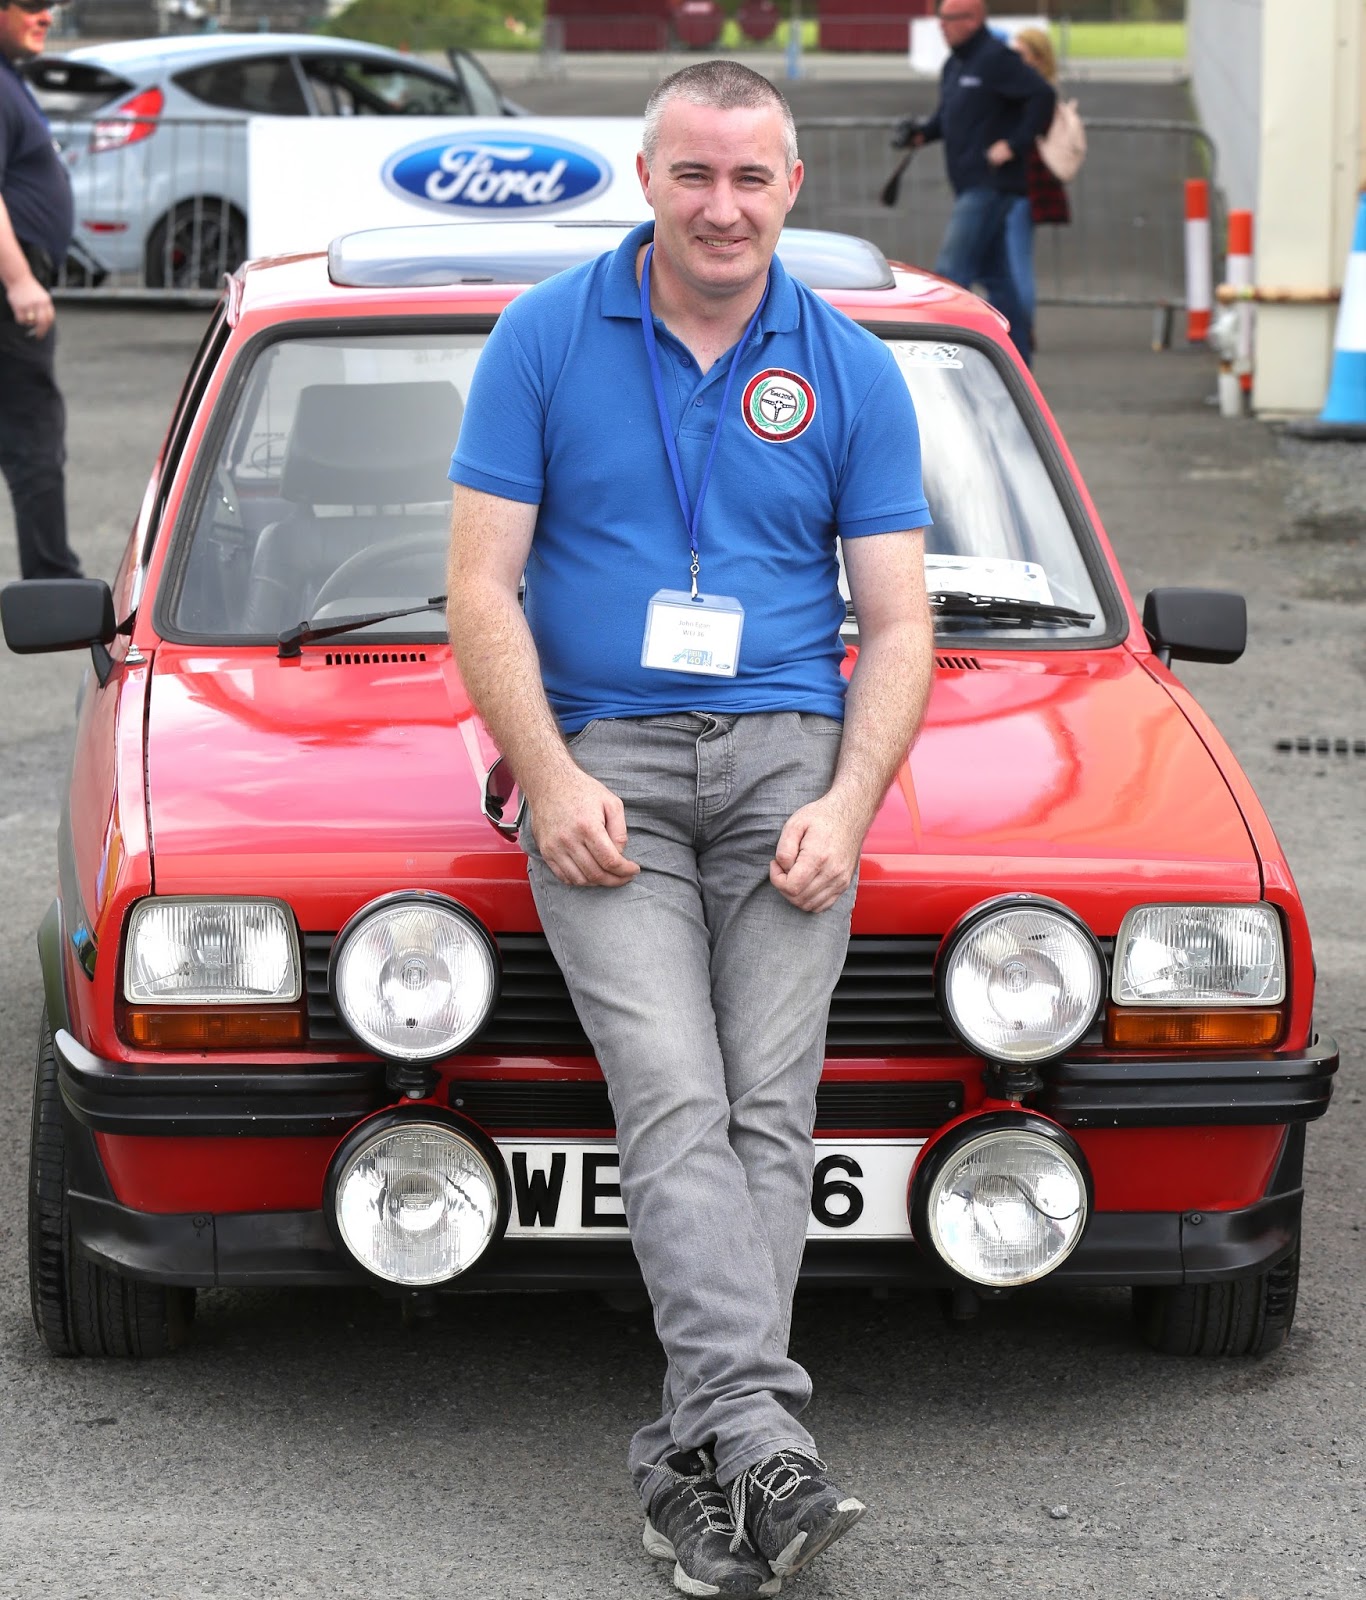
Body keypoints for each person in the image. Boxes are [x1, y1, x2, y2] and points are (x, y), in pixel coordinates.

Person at [447, 59, 933, 1600]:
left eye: (751, 178)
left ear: (792, 188)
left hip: (792, 768)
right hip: (606, 778)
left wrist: (847, 806)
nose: (721, 206)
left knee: (765, 1117)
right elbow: (479, 590)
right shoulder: (540, 340)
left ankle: (697, 1462)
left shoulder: (851, 369)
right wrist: (554, 771)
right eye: (693, 175)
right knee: (672, 1094)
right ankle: (764, 1441)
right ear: (644, 178)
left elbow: (900, 623)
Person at [892, 0, 1054, 368]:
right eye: (940, 19)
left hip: (991, 186)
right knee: (999, 283)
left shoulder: (996, 59)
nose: (942, 26)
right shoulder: (955, 64)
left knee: (950, 276)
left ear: (974, 19)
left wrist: (1014, 144)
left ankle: (933, 368)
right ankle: (1017, 367)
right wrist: (919, 133)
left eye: (950, 19)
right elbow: (946, 119)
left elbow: (1042, 95)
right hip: (968, 185)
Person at [0, 0, 82, 580]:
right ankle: (54, 584)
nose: (46, 15)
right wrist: (19, 278)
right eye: (31, 3)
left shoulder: (9, 79)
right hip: (9, 287)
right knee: (34, 437)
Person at [1006, 26, 1072, 357]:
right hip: (1024, 189)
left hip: (1023, 189)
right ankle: (1018, 328)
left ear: (1036, 57)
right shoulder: (1037, 90)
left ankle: (1021, 329)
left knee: (1017, 262)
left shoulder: (1034, 94)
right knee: (1013, 260)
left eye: (1019, 54)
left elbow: (1021, 138)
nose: (1012, 60)